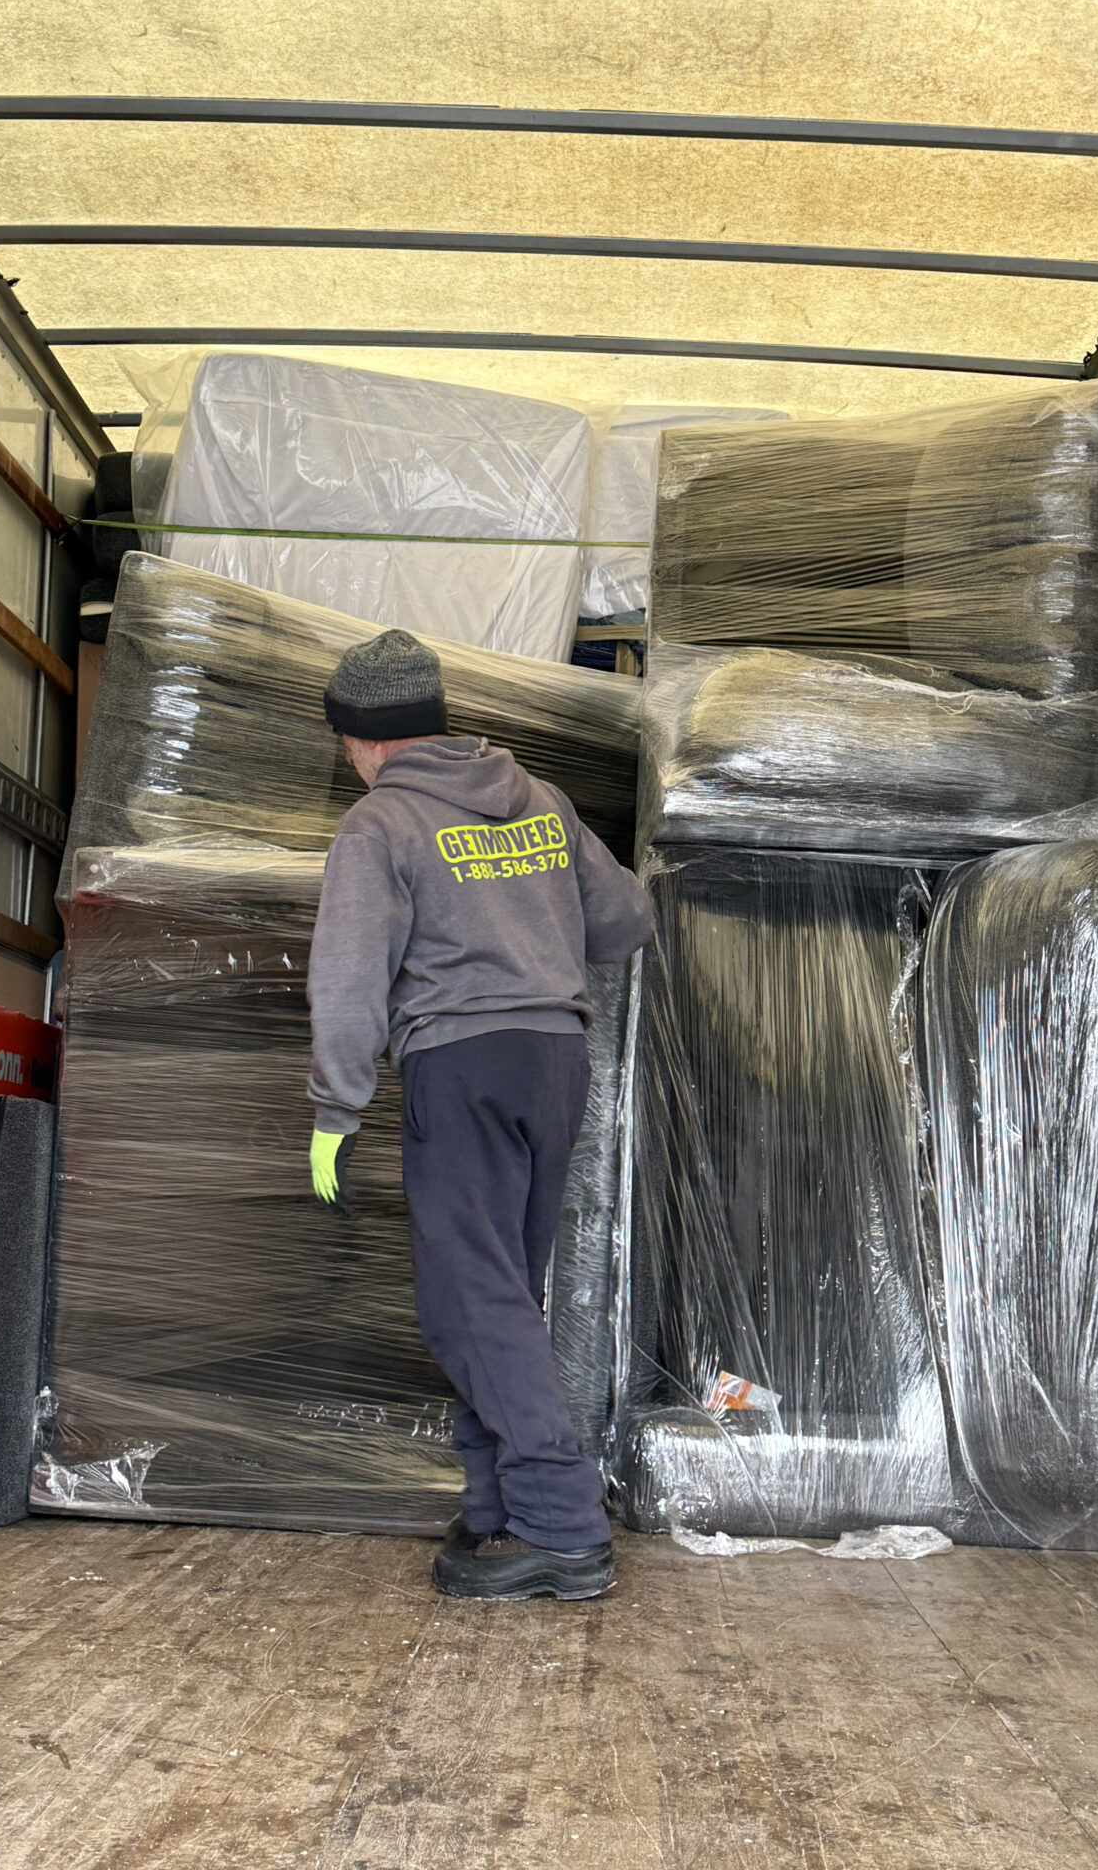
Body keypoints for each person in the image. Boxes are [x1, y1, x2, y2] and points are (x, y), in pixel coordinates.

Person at [306, 629, 652, 1602]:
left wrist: (336, 1108)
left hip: (462, 1066)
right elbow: (627, 919)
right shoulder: (539, 798)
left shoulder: (381, 823)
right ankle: (496, 1504)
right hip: (554, 1063)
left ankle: (562, 1527)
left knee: (469, 1301)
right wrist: (527, 921)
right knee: (503, 1291)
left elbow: (348, 979)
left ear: (364, 739)